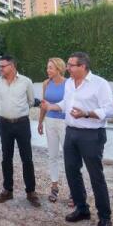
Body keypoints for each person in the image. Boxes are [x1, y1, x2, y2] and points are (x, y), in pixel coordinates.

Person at [42, 52, 113, 226]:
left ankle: (105, 217)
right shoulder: (69, 83)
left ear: (83, 66)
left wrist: (86, 113)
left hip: (92, 134)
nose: (68, 68)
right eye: (67, 64)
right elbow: (66, 103)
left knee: (95, 175)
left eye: (71, 65)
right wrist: (52, 107)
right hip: (71, 133)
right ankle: (82, 208)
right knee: (72, 171)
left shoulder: (100, 84)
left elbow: (111, 110)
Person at [0, 55, 40, 207]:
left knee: (27, 158)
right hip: (4, 124)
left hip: (22, 124)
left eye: (3, 66)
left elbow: (31, 101)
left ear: (12, 66)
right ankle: (7, 190)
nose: (0, 69)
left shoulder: (26, 82)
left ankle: (31, 192)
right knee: (6, 158)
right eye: (0, 66)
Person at [37, 57, 69, 204]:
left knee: (70, 157)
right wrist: (40, 122)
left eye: (50, 67)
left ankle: (74, 190)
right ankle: (54, 187)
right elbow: (44, 104)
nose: (47, 70)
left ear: (58, 69)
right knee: (53, 155)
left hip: (64, 122)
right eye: (47, 67)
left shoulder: (68, 83)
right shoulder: (46, 83)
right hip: (50, 121)